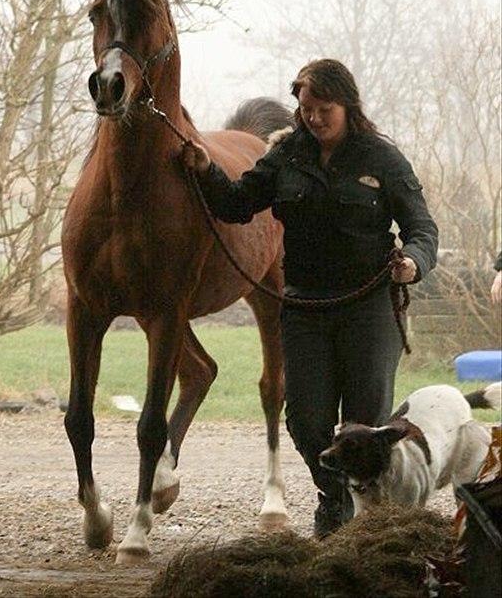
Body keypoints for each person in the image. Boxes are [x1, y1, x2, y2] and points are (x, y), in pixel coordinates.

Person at [181, 59, 439, 537]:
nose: (314, 118)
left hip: (369, 308)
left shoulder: (381, 158)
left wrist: (414, 263)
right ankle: (336, 498)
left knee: (365, 423)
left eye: (324, 109)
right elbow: (238, 203)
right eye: (306, 109)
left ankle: (361, 522)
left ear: (347, 105)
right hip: (305, 308)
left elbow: (422, 228)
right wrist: (205, 170)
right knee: (305, 422)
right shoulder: (287, 155)